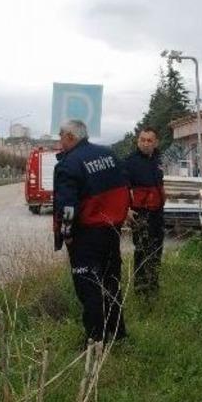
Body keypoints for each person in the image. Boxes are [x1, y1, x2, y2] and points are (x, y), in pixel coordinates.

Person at [53, 119, 129, 343]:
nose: (59, 141)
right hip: (112, 231)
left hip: (86, 236)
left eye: (60, 136)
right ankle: (118, 334)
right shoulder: (109, 155)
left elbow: (67, 208)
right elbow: (125, 190)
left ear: (70, 136)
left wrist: (67, 235)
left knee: (89, 288)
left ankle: (96, 340)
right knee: (111, 283)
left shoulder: (69, 164)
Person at [123, 127, 166, 296]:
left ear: (156, 143)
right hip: (140, 215)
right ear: (138, 141)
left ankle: (153, 288)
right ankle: (141, 291)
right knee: (142, 251)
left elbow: (160, 185)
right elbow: (122, 189)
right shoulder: (129, 162)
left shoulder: (157, 160)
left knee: (156, 251)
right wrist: (126, 209)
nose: (145, 143)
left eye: (149, 140)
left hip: (158, 214)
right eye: (142, 140)